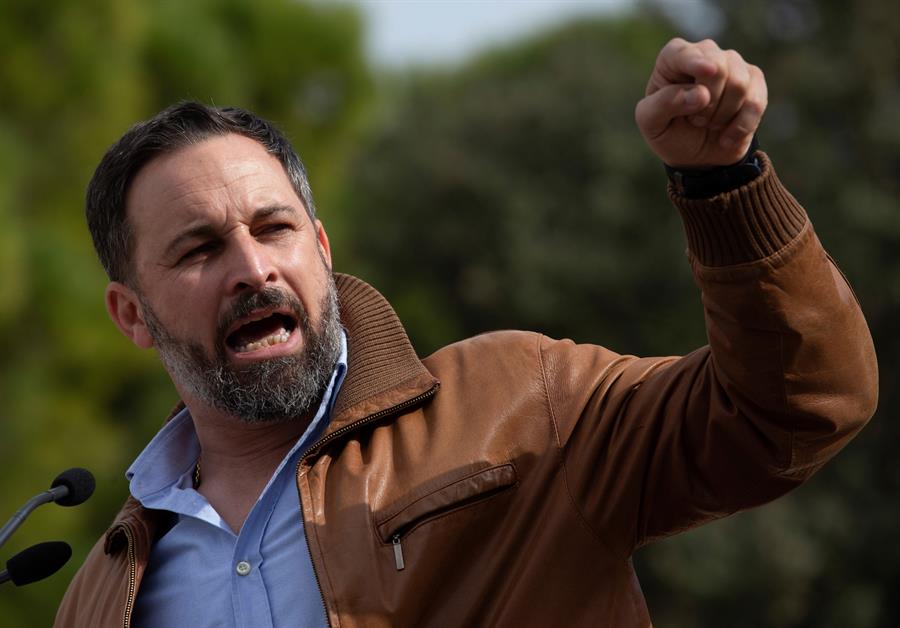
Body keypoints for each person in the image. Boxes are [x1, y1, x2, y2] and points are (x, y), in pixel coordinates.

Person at [55, 38, 877, 628]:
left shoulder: (523, 400)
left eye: (274, 229)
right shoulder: (98, 598)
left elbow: (793, 409)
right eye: (200, 249)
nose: (253, 269)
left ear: (322, 248)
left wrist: (723, 185)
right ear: (131, 314)